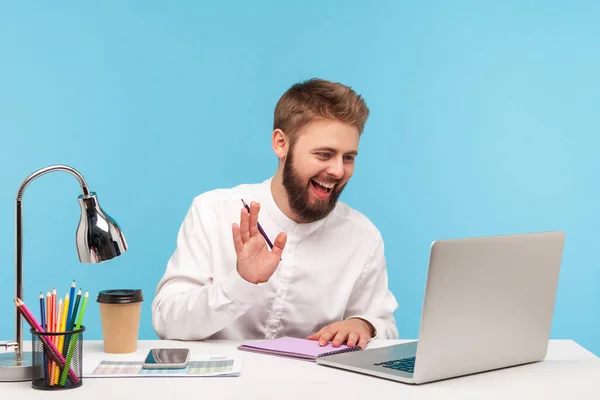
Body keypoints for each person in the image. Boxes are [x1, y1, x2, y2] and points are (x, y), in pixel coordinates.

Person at [152, 78, 399, 349]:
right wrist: (239, 284)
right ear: (281, 143)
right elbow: (167, 319)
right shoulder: (213, 212)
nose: (338, 171)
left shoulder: (363, 236)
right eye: (324, 154)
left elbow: (384, 324)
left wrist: (362, 324)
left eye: (348, 157)